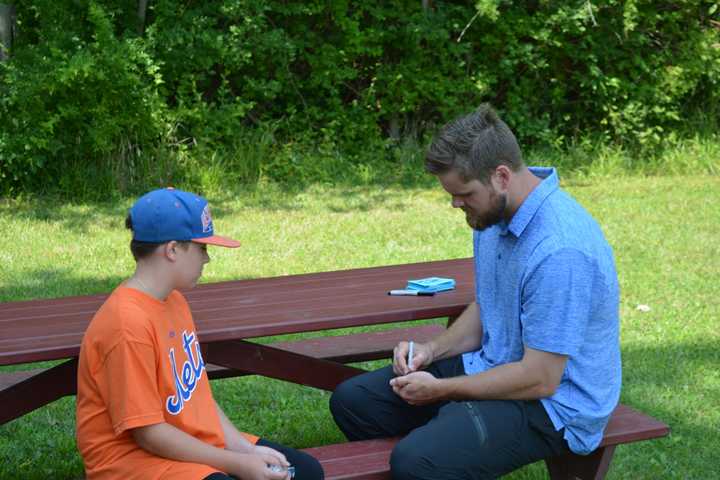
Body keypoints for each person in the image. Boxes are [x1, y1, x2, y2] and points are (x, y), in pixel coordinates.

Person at [329, 105, 621, 479]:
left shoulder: (560, 251)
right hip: (496, 363)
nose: (455, 203)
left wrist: (443, 390)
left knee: (416, 461)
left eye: (463, 193)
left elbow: (541, 377)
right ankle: (451, 444)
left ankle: (444, 447)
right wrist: (431, 351)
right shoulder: (493, 216)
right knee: (355, 401)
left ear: (501, 176)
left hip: (555, 404)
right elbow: (490, 306)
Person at [76, 187, 324, 480]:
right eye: (202, 248)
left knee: (306, 472)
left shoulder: (174, 300)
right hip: (132, 462)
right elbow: (148, 435)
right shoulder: (126, 324)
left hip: (187, 440)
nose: (207, 259)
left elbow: (198, 397)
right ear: (172, 250)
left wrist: (243, 449)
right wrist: (234, 464)